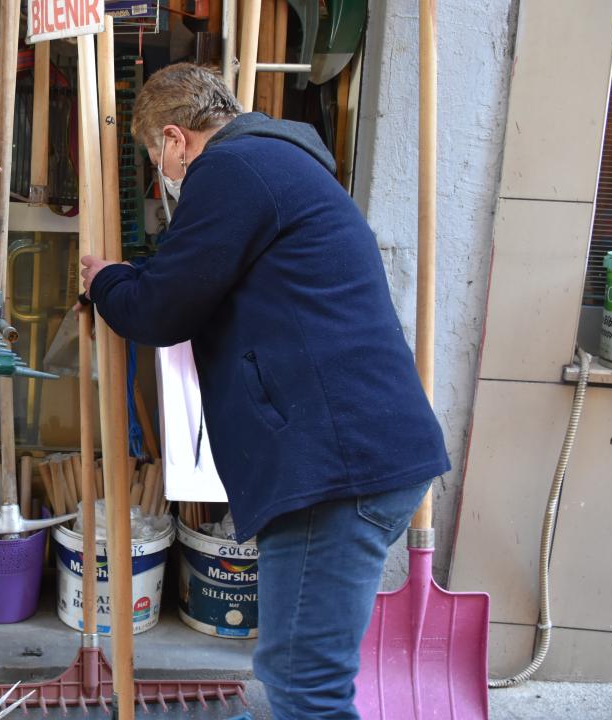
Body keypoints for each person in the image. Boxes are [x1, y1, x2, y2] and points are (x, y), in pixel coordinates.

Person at [80, 63, 449, 719]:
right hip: (356, 456)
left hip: (337, 467)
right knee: (298, 668)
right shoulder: (282, 164)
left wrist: (107, 280)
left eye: (155, 160)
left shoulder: (230, 170)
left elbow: (163, 308)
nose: (163, 180)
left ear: (174, 140)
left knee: (305, 682)